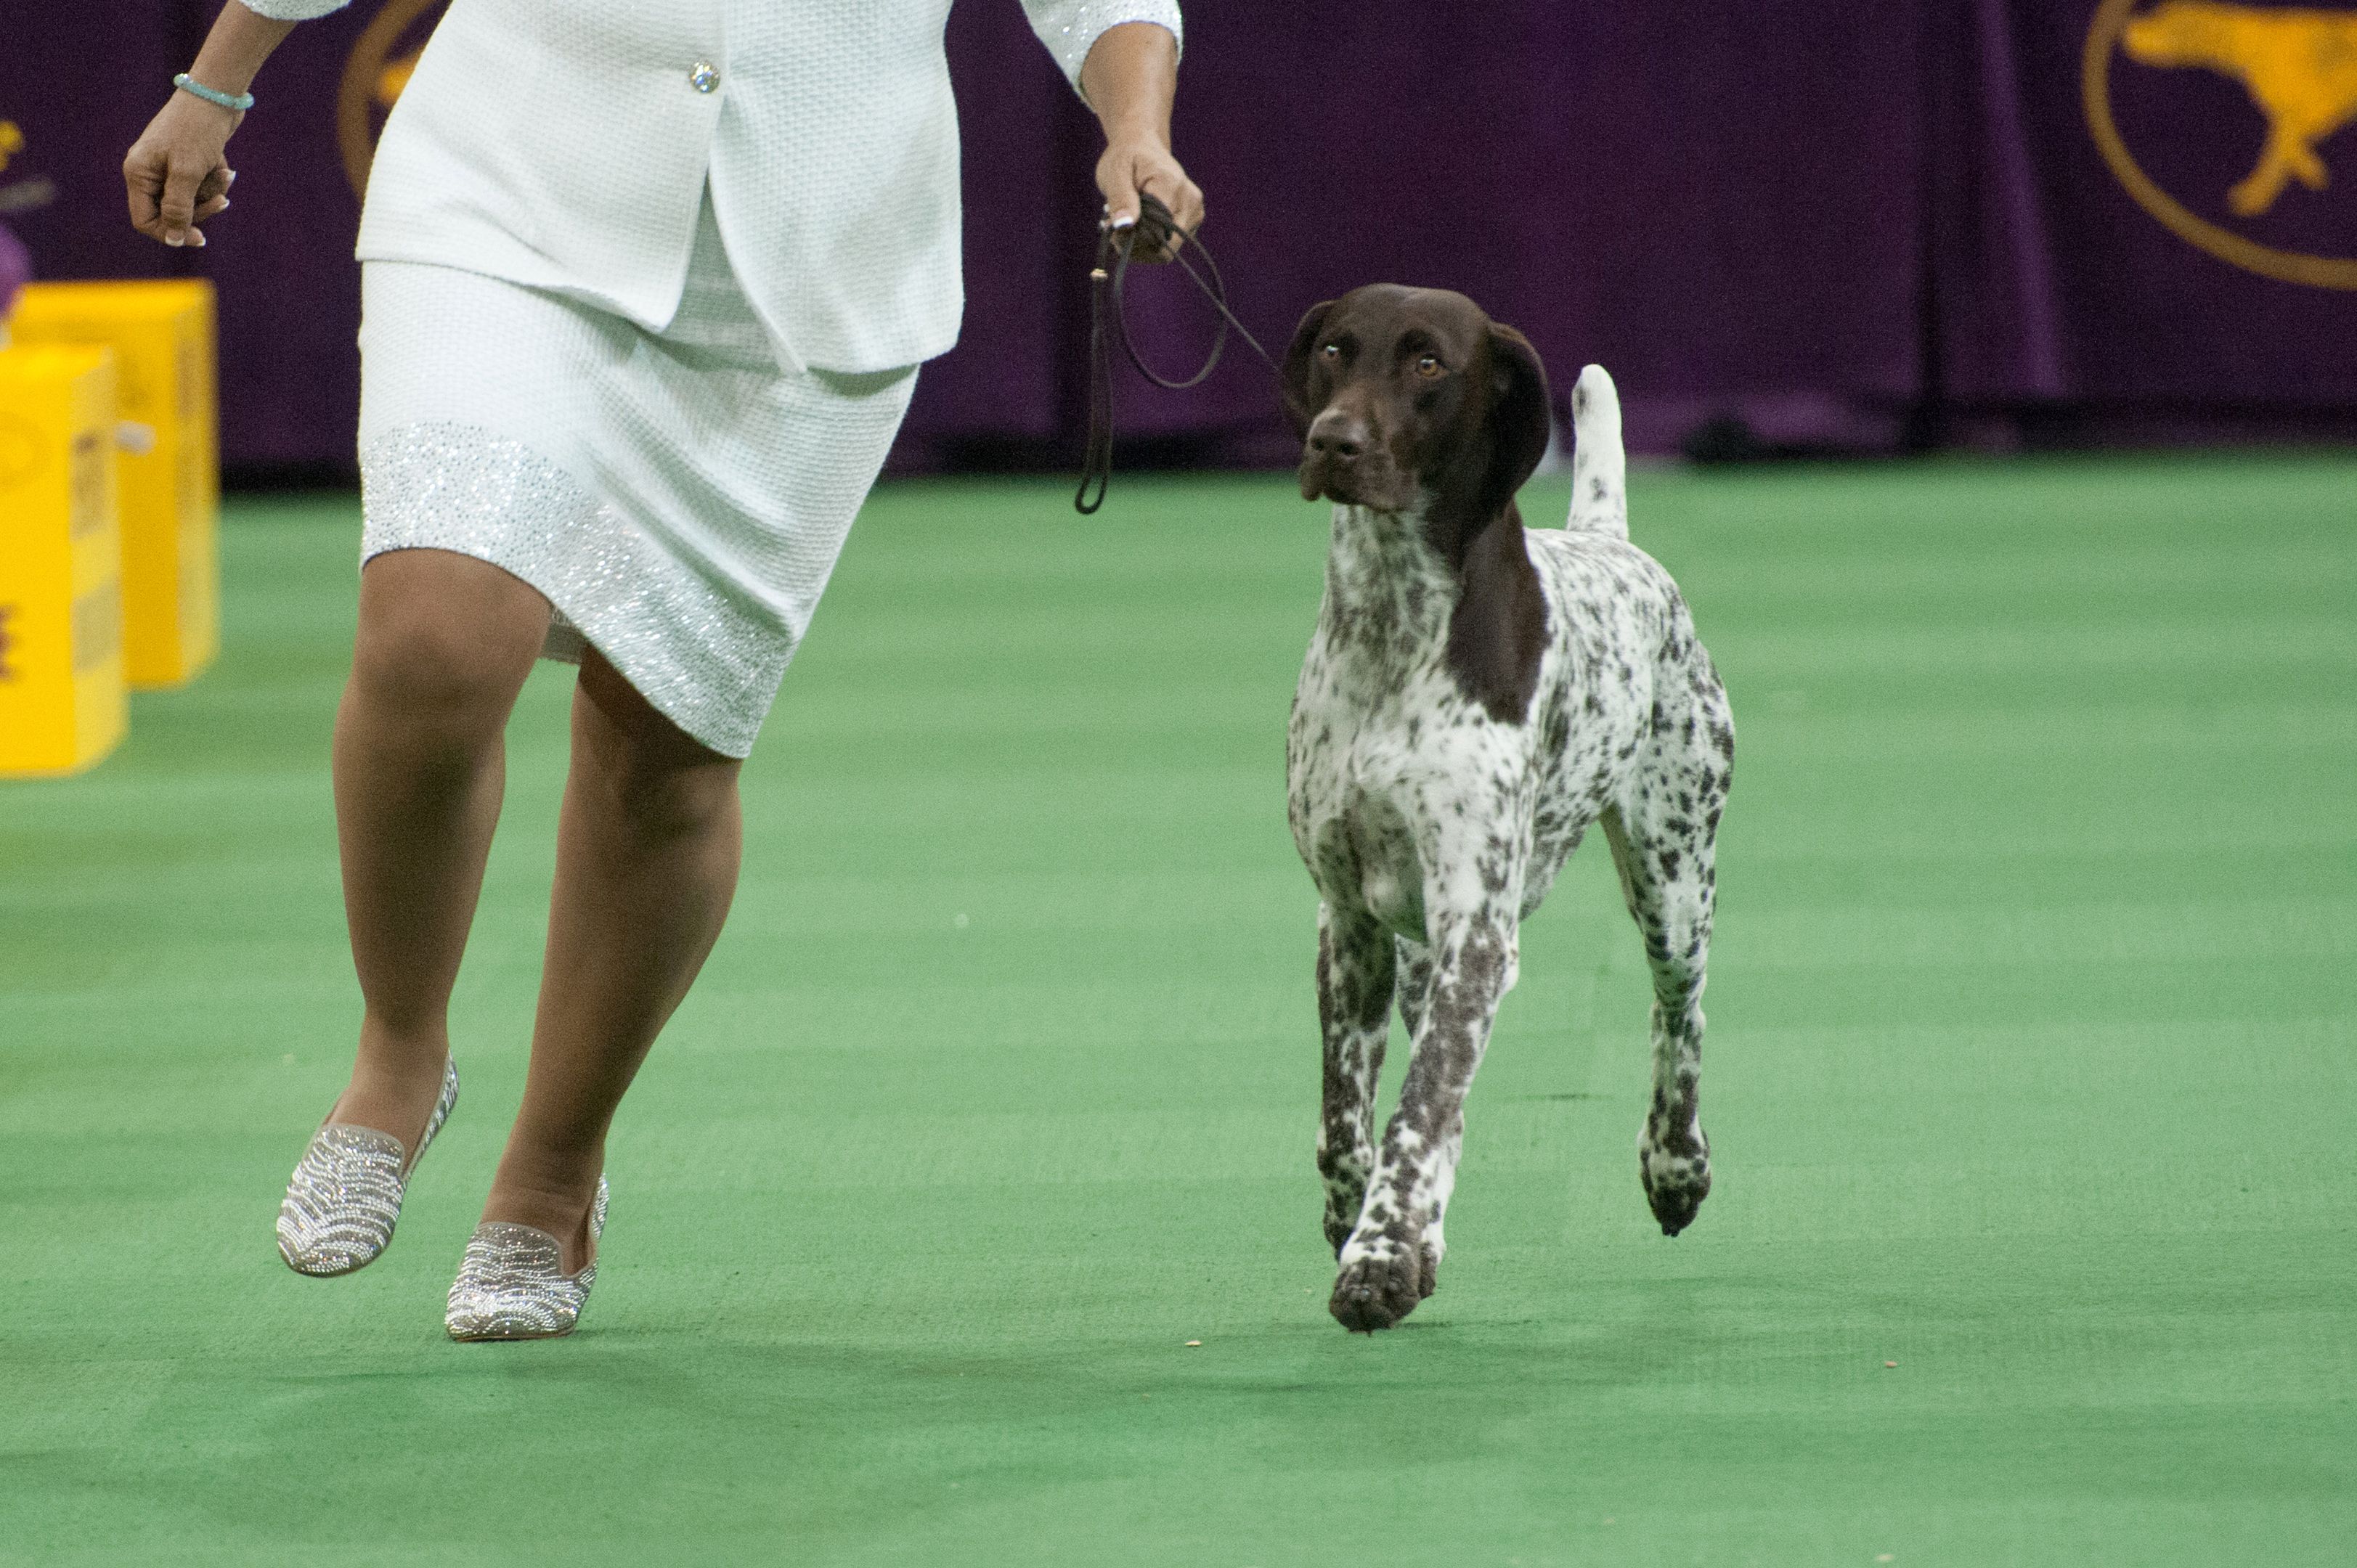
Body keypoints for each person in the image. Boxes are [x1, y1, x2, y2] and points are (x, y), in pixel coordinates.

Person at [124, 0, 1200, 1341]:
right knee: (438, 635)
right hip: (509, 195)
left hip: (813, 274)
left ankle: (552, 1173)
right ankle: (400, 1050)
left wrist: (1134, 130)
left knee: (665, 744)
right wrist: (217, 81)